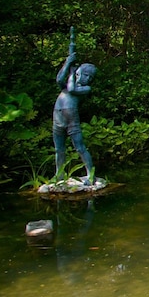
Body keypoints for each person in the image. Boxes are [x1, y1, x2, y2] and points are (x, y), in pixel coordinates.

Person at [53, 27, 97, 185]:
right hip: (57, 116)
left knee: (79, 147)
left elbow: (72, 89)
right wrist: (68, 63)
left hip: (71, 117)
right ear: (79, 71)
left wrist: (73, 74)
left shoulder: (84, 89)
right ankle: (59, 175)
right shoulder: (68, 82)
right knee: (59, 148)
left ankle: (90, 175)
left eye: (90, 77)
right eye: (85, 74)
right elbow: (59, 80)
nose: (87, 79)